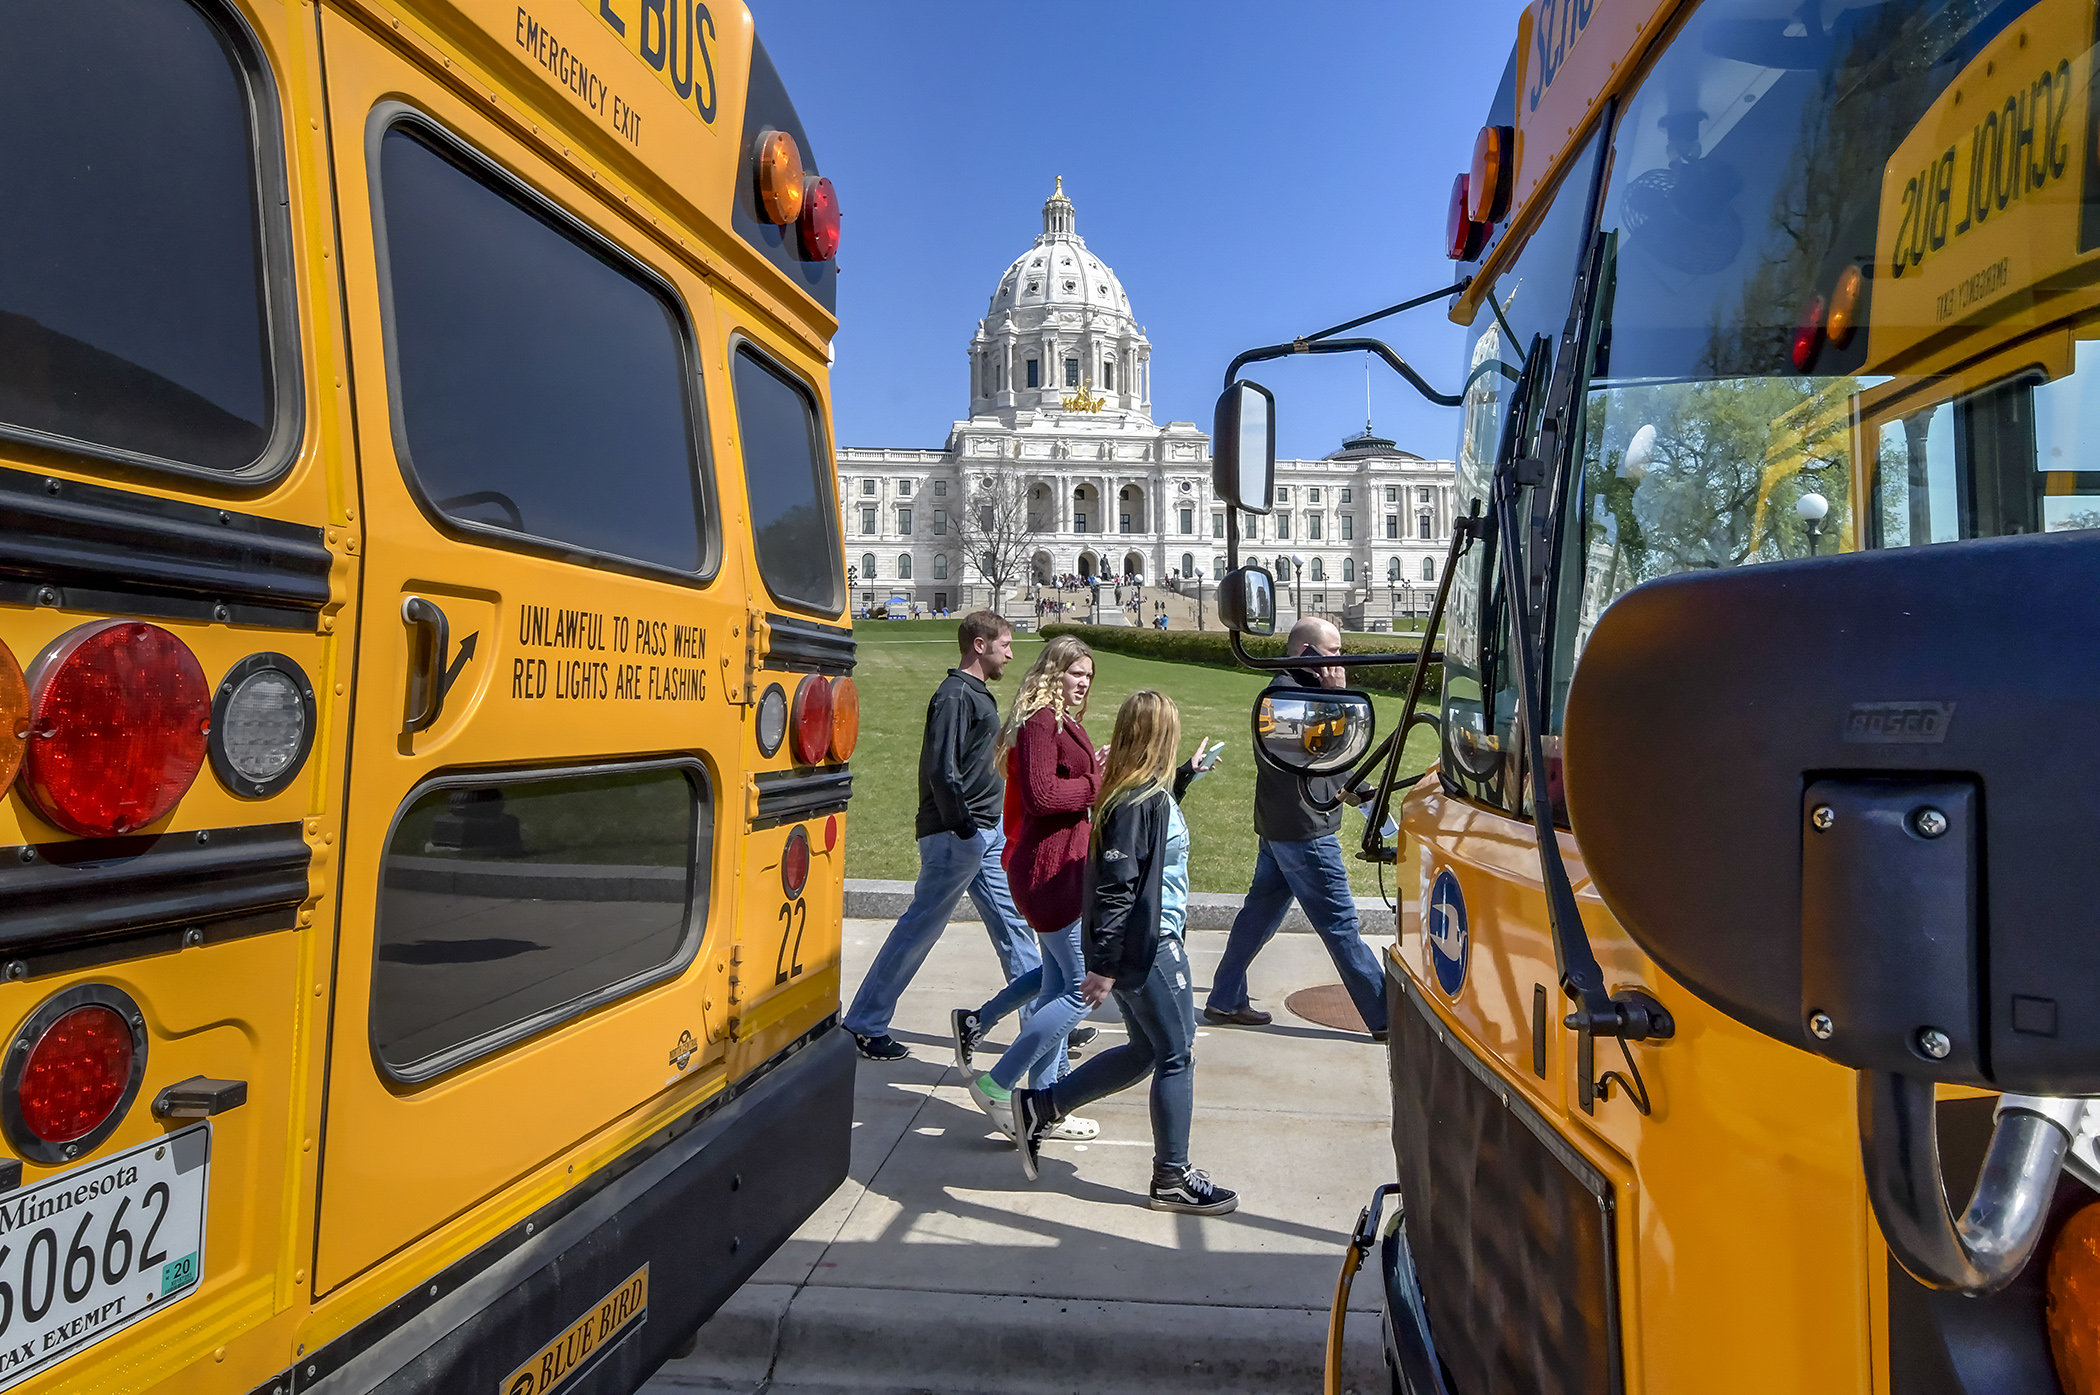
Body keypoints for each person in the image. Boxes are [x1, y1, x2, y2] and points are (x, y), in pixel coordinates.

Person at [1010, 691, 1235, 1214]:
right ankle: (1172, 1177)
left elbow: (1147, 837)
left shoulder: (1142, 793)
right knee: (1176, 1055)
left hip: (1145, 944)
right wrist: (1105, 967)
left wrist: (1185, 775)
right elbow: (1117, 887)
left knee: (1145, 1051)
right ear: (1160, 735)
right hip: (1150, 949)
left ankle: (1040, 1106)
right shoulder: (1137, 801)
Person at [843, 612, 1043, 1061]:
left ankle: (1045, 1022)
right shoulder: (954, 695)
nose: (1010, 653)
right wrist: (966, 827)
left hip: (981, 836)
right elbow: (941, 768)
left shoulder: (978, 695)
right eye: (1005, 644)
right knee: (920, 928)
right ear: (979, 644)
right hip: (958, 835)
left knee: (1013, 928)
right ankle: (863, 1023)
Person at [1204, 617, 1390, 1039]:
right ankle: (1385, 1017)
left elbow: (1320, 761)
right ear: (1305, 653)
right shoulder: (1286, 698)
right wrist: (1338, 698)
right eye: (1333, 651)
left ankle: (1224, 997)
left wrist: (1355, 788)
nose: (1340, 660)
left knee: (1259, 917)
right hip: (1305, 833)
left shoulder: (1292, 693)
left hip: (1280, 827)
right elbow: (1328, 749)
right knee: (1341, 926)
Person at [953, 637, 1104, 1142]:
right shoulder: (1042, 721)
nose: (1082, 682)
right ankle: (999, 1085)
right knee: (1080, 989)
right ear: (1052, 672)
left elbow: (1059, 780)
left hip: (1058, 866)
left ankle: (1041, 1103)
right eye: (1074, 673)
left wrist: (1094, 769)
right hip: (1048, 870)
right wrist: (1096, 786)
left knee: (1057, 984)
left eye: (1088, 675)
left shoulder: (1059, 722)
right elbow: (1041, 796)